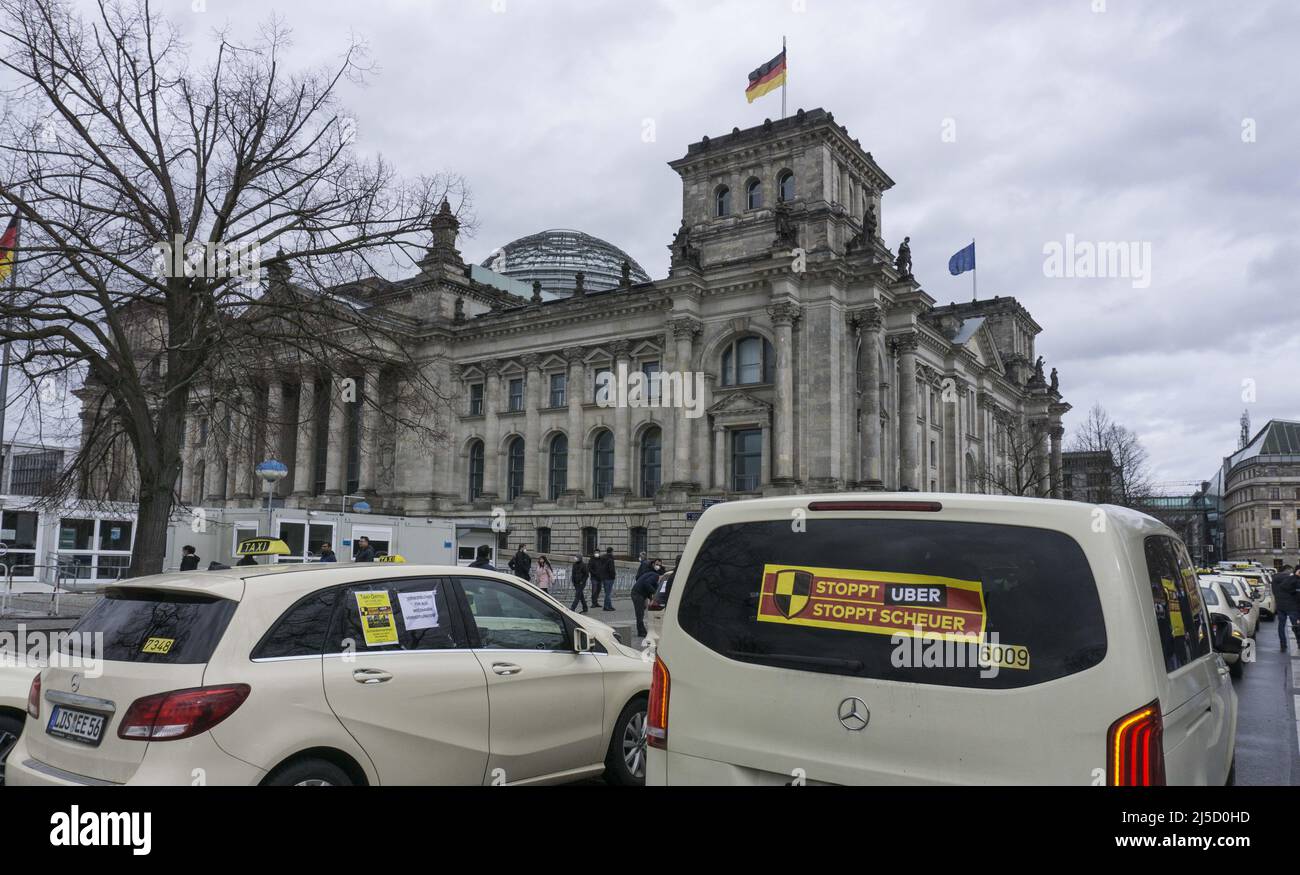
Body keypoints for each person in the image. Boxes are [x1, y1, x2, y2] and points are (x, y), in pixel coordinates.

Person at [631, 558, 664, 639]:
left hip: (639, 593)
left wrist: (651, 597)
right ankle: (641, 632)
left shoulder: (652, 574)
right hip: (637, 594)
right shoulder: (655, 576)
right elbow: (647, 584)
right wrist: (655, 593)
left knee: (641, 611)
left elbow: (649, 586)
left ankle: (642, 630)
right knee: (640, 613)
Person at [1272, 565, 1298, 652]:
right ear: (1288, 570)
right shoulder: (1290, 578)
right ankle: (1298, 642)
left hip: (1280, 604)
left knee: (1281, 625)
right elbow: (1294, 591)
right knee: (1296, 625)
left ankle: (1283, 644)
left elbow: (1274, 591)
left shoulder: (1274, 578)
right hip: (1292, 605)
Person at [593, 547, 617, 611]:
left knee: (607, 593)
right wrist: (613, 576)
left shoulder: (602, 558)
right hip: (609, 578)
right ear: (611, 551)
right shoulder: (610, 559)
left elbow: (600, 568)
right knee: (608, 593)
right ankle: (606, 606)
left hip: (604, 577)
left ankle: (609, 605)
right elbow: (611, 569)